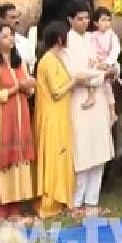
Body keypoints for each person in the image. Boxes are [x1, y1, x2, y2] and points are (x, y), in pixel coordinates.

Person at [62, 0, 116, 216]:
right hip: (80, 99)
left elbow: (106, 62)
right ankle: (76, 201)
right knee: (82, 149)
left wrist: (111, 71)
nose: (84, 22)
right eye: (80, 19)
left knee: (99, 148)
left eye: (86, 18)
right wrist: (102, 75)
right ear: (70, 20)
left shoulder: (92, 39)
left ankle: (92, 201)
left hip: (100, 98)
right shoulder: (68, 42)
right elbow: (75, 74)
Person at [0, 19, 37, 220]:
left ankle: (15, 209)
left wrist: (30, 86)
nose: (11, 38)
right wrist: (17, 88)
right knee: (2, 162)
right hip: (2, 116)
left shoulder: (19, 62)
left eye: (11, 35)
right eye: (5, 36)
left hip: (21, 114)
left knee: (19, 161)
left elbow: (29, 89)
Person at [33, 22, 77, 218]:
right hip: (51, 116)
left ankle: (61, 199)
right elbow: (56, 92)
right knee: (52, 157)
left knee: (62, 155)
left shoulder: (56, 59)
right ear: (59, 39)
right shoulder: (48, 60)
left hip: (59, 114)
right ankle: (49, 201)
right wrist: (75, 81)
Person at [83, 7, 119, 121]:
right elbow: (90, 49)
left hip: (110, 64)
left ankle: (112, 112)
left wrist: (108, 63)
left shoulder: (112, 36)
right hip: (97, 63)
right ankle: (91, 96)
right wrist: (95, 59)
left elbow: (115, 50)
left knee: (108, 87)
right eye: (103, 20)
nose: (106, 23)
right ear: (96, 23)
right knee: (90, 74)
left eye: (108, 20)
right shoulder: (92, 36)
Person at [0, 3, 37, 72]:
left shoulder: (25, 42)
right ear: (1, 20)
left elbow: (31, 65)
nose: (17, 21)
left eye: (17, 17)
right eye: (13, 17)